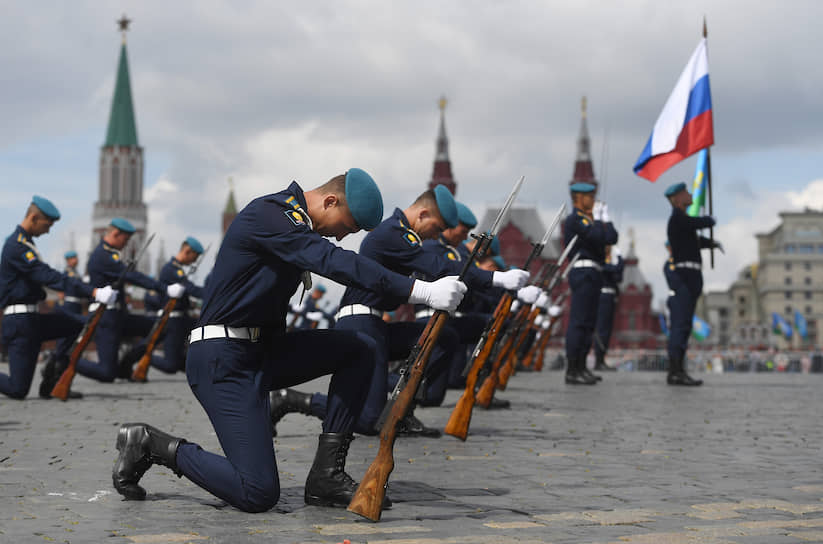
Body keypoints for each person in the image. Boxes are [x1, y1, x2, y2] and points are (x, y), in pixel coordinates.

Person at [112, 169, 467, 513]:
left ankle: (326, 476)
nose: (342, 238)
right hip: (222, 361)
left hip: (261, 353)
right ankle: (150, 444)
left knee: (360, 348)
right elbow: (333, 261)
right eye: (346, 227)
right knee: (257, 493)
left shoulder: (294, 224)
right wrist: (419, 289)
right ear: (330, 201)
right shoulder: (270, 214)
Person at [270, 187, 529, 437]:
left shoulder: (403, 234)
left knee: (445, 338)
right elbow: (437, 266)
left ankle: (403, 402)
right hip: (359, 322)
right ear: (423, 215)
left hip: (377, 324)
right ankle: (294, 399)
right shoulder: (393, 234)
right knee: (369, 420)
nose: (434, 235)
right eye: (436, 228)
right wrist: (496, 279)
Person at [0, 196, 117, 399]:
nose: (48, 230)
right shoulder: (16, 246)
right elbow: (47, 276)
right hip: (19, 324)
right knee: (17, 389)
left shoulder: (26, 243)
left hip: (33, 320)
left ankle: (53, 378)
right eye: (47, 224)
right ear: (34, 217)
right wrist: (93, 292)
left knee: (80, 323)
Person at [70, 218, 186, 383]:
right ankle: (64, 360)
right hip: (106, 317)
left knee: (159, 328)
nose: (126, 244)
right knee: (107, 373)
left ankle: (126, 363)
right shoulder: (102, 255)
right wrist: (164, 288)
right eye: (125, 239)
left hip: (119, 315)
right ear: (116, 234)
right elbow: (132, 276)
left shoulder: (110, 254)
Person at [664, 182, 722, 386]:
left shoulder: (683, 221)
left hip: (692, 275)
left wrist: (711, 243)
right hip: (685, 277)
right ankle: (675, 371)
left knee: (685, 325)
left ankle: (679, 370)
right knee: (680, 326)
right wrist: (710, 220)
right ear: (678, 198)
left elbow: (693, 240)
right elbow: (694, 224)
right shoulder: (678, 218)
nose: (690, 195)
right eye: (686, 193)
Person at [563, 182, 617, 385]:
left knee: (588, 324)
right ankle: (572, 369)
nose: (593, 200)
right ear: (578, 198)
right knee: (579, 321)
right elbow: (598, 236)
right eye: (589, 197)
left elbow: (612, 237)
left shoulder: (591, 221)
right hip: (583, 271)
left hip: (594, 272)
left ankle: (582, 366)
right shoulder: (575, 220)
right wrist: (601, 223)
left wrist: (605, 219)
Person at [146, 237, 206, 375]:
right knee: (171, 365)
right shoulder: (172, 270)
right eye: (194, 256)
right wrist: (213, 294)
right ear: (187, 251)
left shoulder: (177, 269)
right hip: (173, 321)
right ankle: (144, 356)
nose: (194, 261)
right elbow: (191, 289)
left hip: (181, 319)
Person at [593, 245, 624, 371]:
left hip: (611, 296)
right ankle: (598, 360)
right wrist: (618, 261)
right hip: (603, 295)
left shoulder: (609, 261)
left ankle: (601, 358)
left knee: (607, 329)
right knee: (602, 328)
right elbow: (616, 269)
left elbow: (619, 275)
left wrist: (616, 264)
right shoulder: (600, 260)